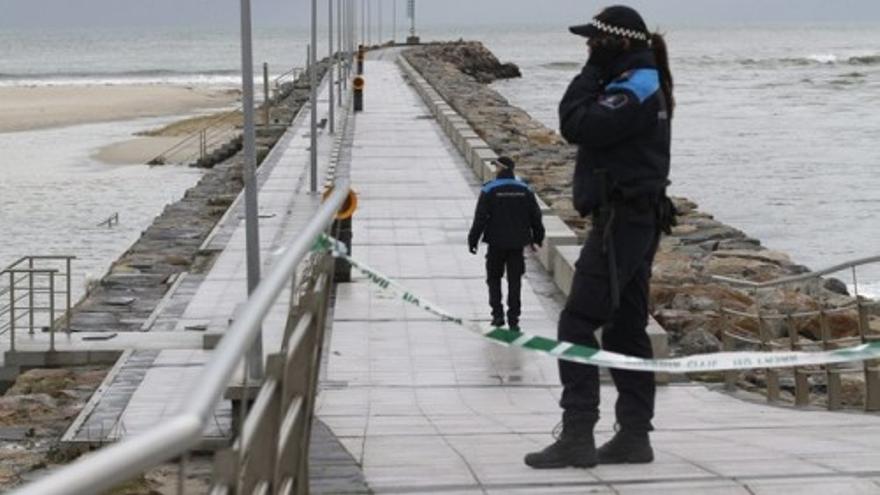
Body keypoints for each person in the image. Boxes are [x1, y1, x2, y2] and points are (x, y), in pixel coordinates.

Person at [525, 5, 677, 469]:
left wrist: (591, 71)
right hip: (632, 217)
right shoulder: (636, 78)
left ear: (616, 44)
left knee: (576, 323)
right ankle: (634, 436)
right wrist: (598, 70)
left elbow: (577, 123)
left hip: (624, 222)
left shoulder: (635, 84)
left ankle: (577, 433)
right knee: (625, 328)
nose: (588, 49)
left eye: (594, 43)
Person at [468, 156, 545, 331]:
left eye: (496, 166)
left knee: (494, 278)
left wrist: (473, 239)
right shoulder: (525, 189)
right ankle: (514, 318)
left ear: (502, 168)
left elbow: (480, 218)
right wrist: (538, 238)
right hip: (517, 244)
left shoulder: (489, 189)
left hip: (496, 242)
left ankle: (497, 315)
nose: (494, 169)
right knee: (515, 280)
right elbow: (536, 216)